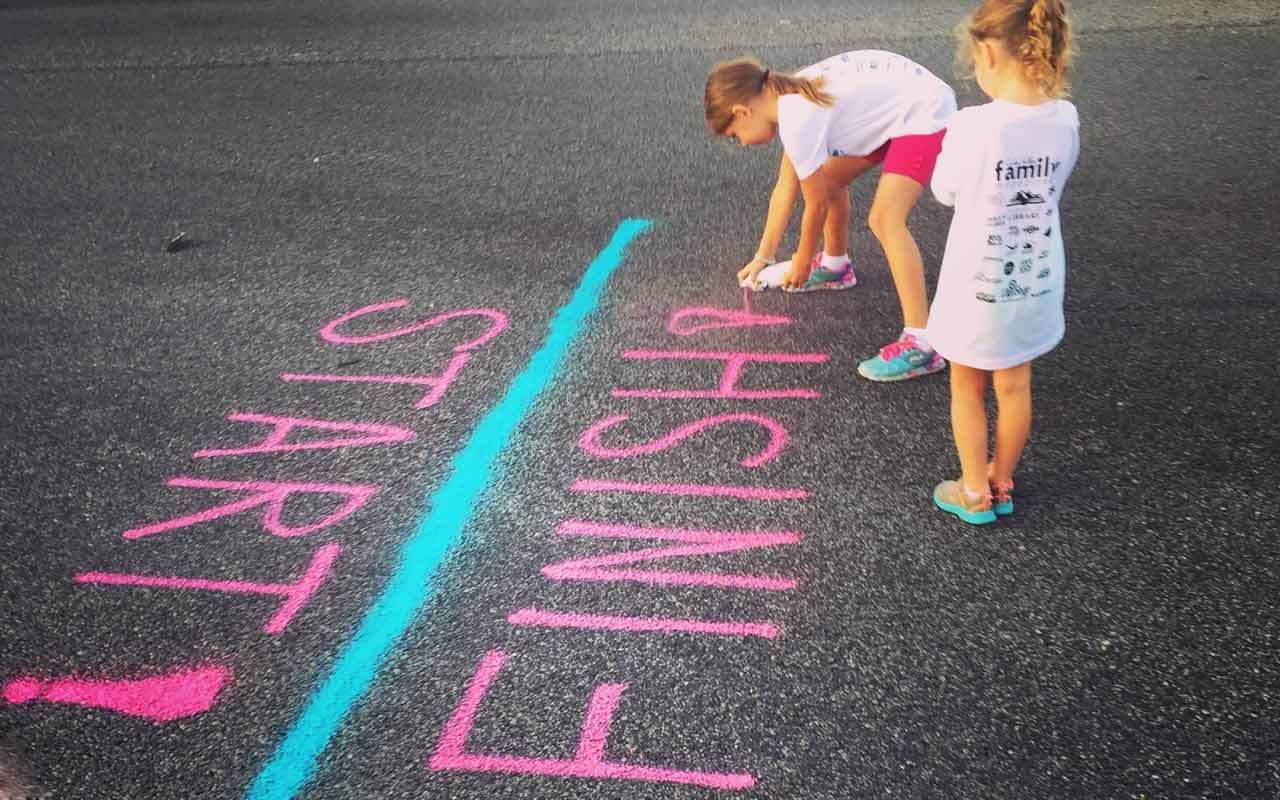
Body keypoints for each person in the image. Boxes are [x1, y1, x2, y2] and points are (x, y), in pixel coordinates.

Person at [705, 50, 958, 382]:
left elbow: (817, 204)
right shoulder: (787, 96)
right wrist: (762, 256)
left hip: (923, 112)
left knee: (885, 219)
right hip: (895, 109)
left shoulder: (797, 116)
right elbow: (786, 188)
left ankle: (921, 343)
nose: (740, 143)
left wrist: (802, 261)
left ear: (742, 111)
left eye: (734, 135)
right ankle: (835, 267)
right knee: (829, 177)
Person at [927, 0, 1078, 524]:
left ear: (987, 52)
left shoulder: (974, 125)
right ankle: (1002, 479)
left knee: (966, 386)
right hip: (1035, 277)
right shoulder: (1065, 117)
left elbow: (944, 190)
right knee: (1015, 387)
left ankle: (972, 491)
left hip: (977, 284)